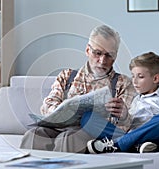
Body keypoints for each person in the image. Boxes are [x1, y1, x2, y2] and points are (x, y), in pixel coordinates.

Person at [19, 25, 136, 153]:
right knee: (34, 134)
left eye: (109, 55)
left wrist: (124, 115)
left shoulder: (123, 83)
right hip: (57, 127)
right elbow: (47, 106)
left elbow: (126, 128)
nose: (102, 60)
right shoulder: (67, 76)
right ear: (87, 50)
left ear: (115, 57)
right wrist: (64, 110)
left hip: (89, 132)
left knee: (68, 138)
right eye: (97, 53)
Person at [83, 52, 159, 154]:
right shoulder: (136, 99)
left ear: (155, 78)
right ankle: (132, 145)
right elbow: (127, 125)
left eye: (140, 77)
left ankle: (117, 145)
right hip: (129, 135)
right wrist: (124, 116)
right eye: (133, 76)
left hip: (154, 139)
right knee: (87, 117)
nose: (134, 81)